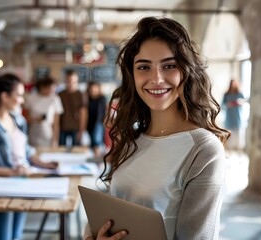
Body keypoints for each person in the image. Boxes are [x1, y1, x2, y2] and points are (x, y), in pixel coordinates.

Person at [84, 16, 230, 240]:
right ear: (132, 76)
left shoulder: (204, 150)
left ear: (186, 71)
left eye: (169, 66)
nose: (156, 78)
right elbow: (111, 212)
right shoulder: (132, 139)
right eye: (144, 67)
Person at [0, 72, 58, 240]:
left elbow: (25, 150)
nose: (22, 100)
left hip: (20, 185)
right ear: (5, 96)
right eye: (20, 95)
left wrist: (44, 164)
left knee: (16, 236)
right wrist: (13, 172)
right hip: (0, 191)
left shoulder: (17, 119)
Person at [25, 76, 64, 148]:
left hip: (48, 134)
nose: (52, 91)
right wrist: (36, 119)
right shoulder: (31, 98)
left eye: (54, 89)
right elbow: (26, 118)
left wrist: (55, 140)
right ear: (42, 87)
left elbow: (56, 123)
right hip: (34, 133)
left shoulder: (55, 99)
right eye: (50, 88)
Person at [58, 70, 87, 147]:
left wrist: (81, 131)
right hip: (62, 128)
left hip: (76, 128)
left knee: (76, 151)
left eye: (73, 82)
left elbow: (83, 114)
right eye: (68, 81)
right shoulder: (60, 95)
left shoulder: (81, 95)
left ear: (77, 81)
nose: (70, 84)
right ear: (65, 80)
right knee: (61, 150)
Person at [222, 79, 245, 151]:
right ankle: (229, 150)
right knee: (229, 135)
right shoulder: (226, 95)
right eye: (232, 83)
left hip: (237, 118)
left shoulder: (240, 94)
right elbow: (222, 105)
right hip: (229, 118)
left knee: (238, 136)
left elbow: (244, 102)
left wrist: (240, 103)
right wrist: (227, 105)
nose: (233, 85)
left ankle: (238, 150)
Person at [86, 81, 107, 157]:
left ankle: (97, 158)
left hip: (98, 122)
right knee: (92, 142)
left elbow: (103, 112)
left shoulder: (102, 98)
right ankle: (95, 158)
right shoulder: (87, 98)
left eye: (95, 88)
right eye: (91, 89)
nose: (93, 90)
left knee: (97, 140)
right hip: (89, 123)